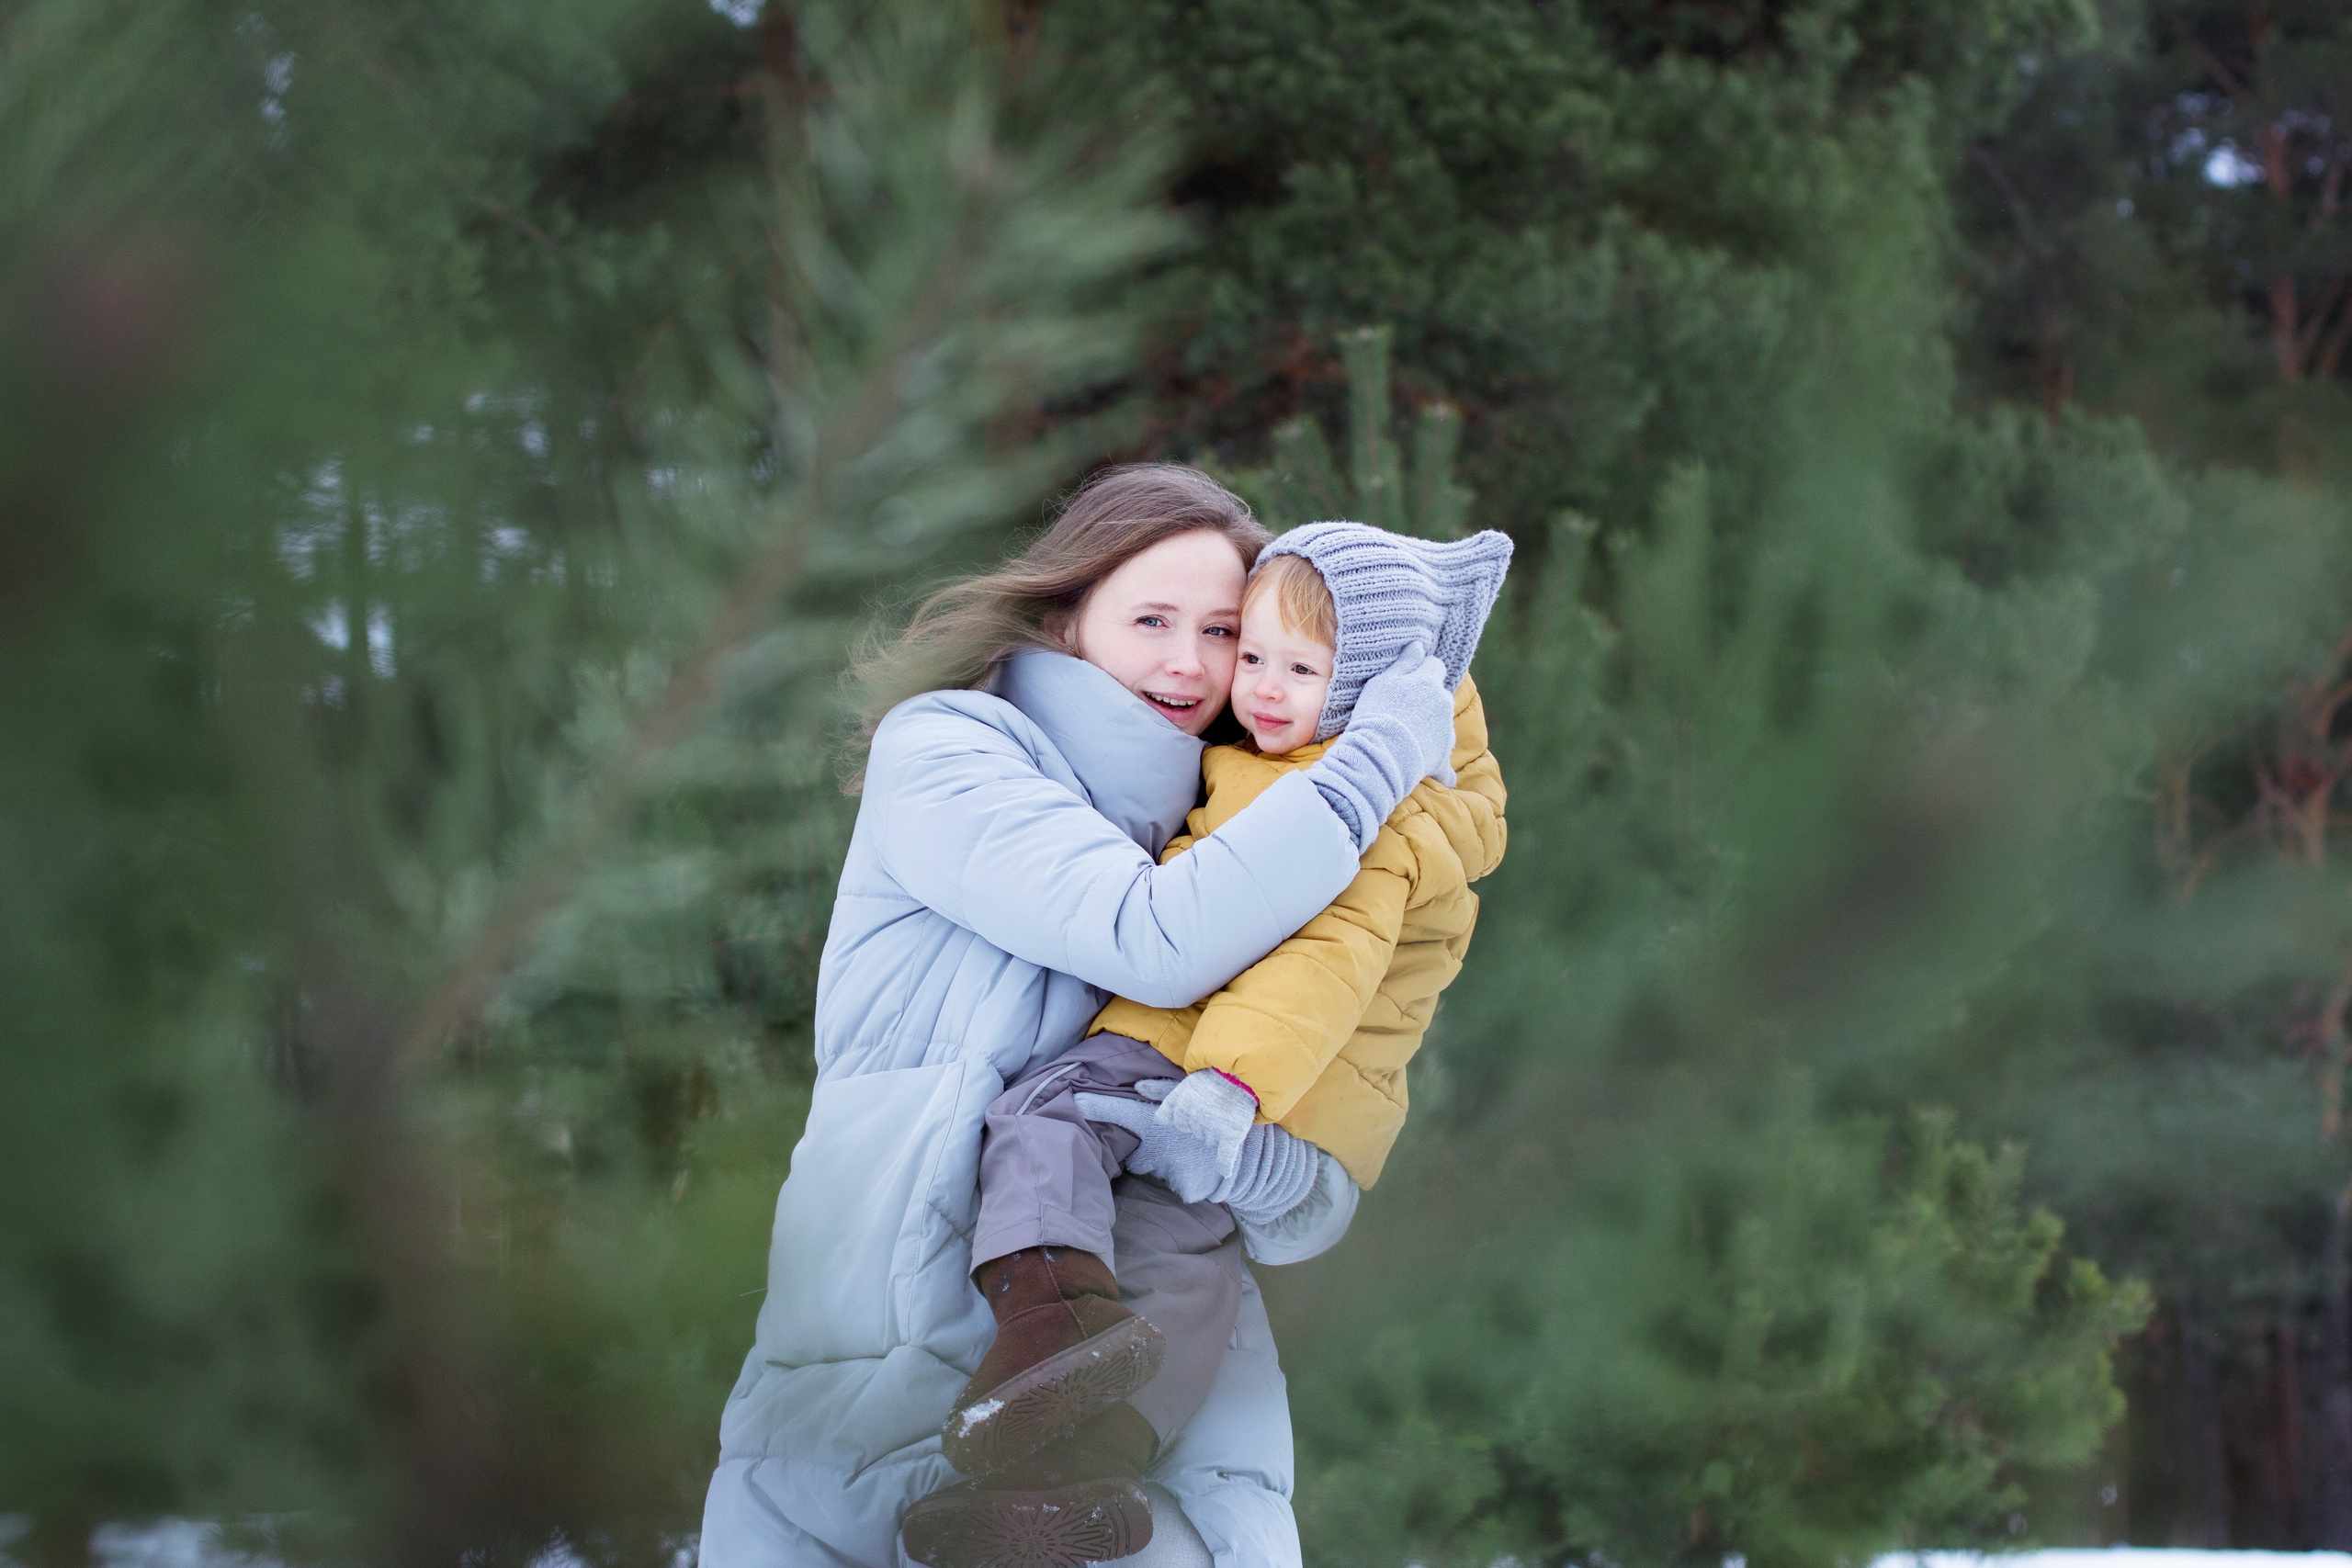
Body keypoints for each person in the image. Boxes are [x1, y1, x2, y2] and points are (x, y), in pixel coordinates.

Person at [696, 468, 1461, 1568]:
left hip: (1166, 1476)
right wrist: (1377, 762)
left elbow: (1313, 1182)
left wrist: (1264, 1169)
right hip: (867, 1423)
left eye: (1224, 633)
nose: (1190, 664)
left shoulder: (1249, 837)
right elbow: (1151, 935)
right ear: (1064, 616)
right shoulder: (952, 753)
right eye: (1151, 619)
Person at [904, 524, 1511, 1568]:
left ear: (1370, 690)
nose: (1260, 687)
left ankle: (1049, 1329)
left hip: (1214, 1064)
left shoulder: (1367, 807)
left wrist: (1228, 1087)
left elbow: (1314, 966)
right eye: (1257, 656)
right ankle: (1083, 1470)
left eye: (1297, 666)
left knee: (1047, 1117)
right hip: (1280, 1093)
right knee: (1184, 1263)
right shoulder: (1307, 769)